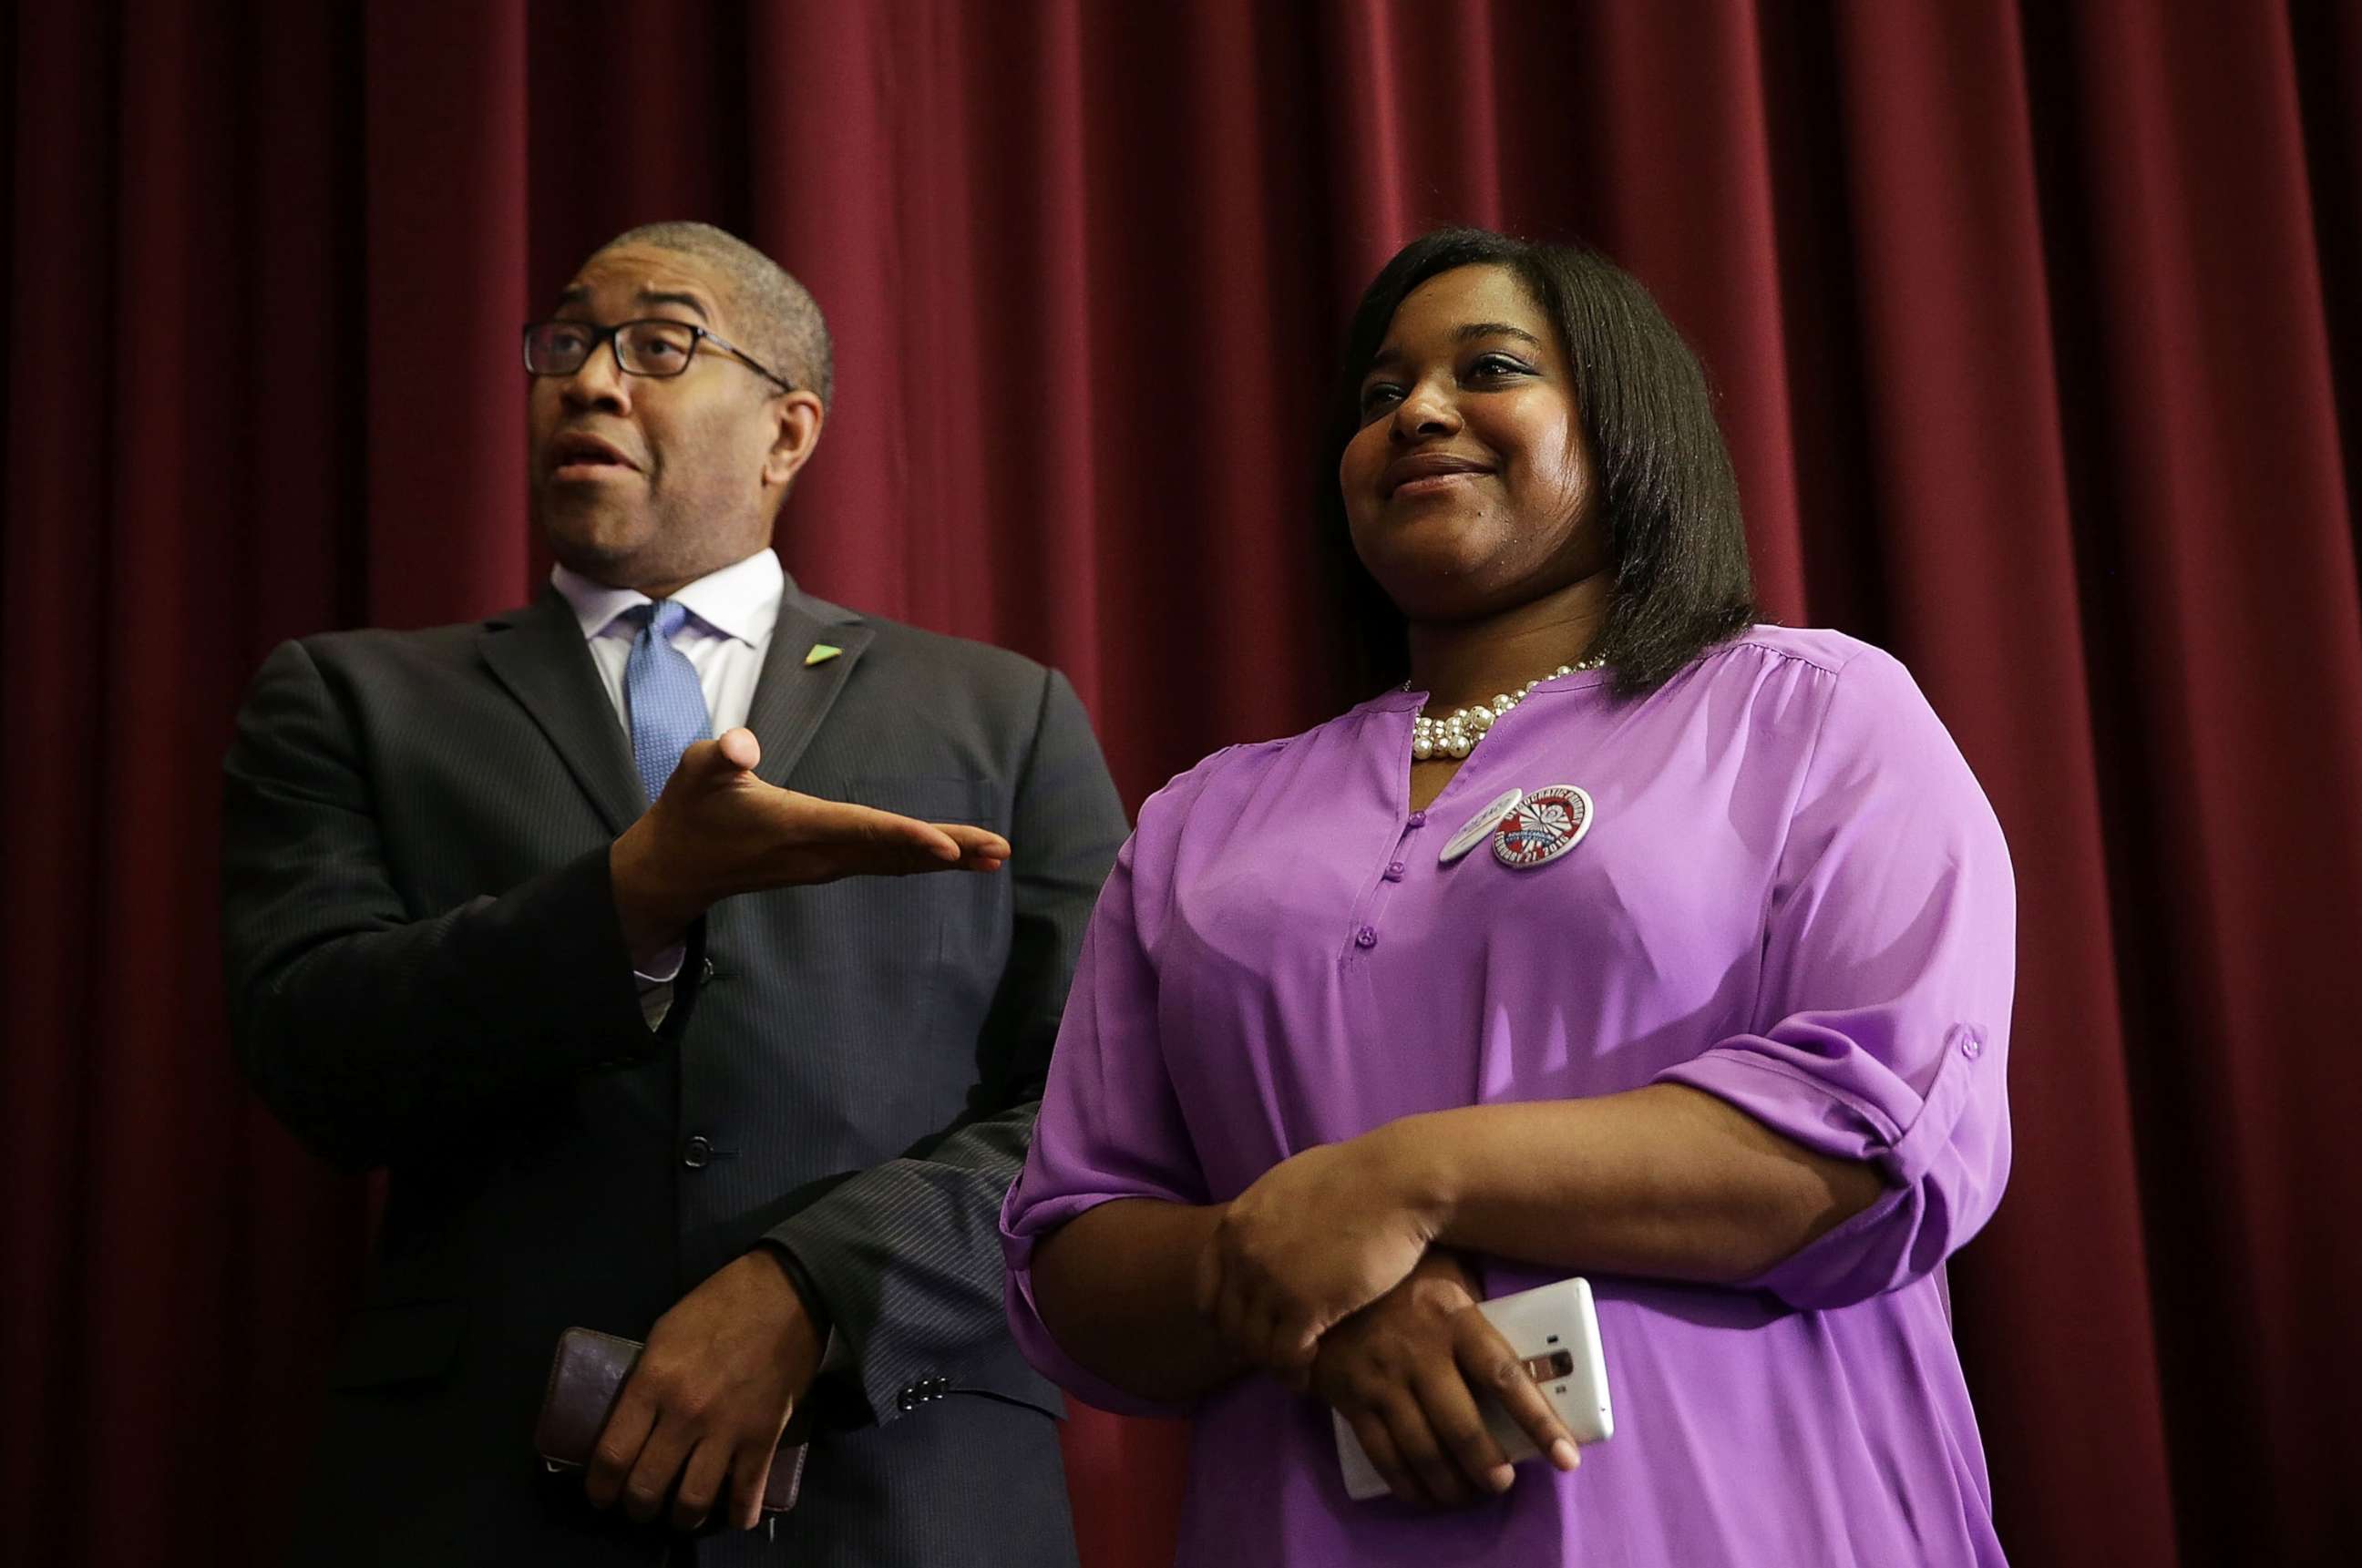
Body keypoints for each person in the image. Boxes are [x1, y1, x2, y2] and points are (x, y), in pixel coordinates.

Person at [1001, 228, 2013, 1566]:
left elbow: (1884, 1136)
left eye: (1488, 367)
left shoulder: (1811, 710)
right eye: (1378, 396)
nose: (1417, 410)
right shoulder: (1203, 818)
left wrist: (1408, 1181)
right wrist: (1320, 1292)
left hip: (1744, 1515)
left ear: (1624, 425)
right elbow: (1072, 1257)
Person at [222, 220, 1127, 1566]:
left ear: (788, 431)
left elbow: (1102, 1100)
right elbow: (315, 1051)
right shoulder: (350, 700)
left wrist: (815, 1287)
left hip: (905, 1485)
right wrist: (631, 900)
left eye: (659, 345)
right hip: (480, 1493)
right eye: (569, 342)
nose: (589, 381)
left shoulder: (1005, 715)